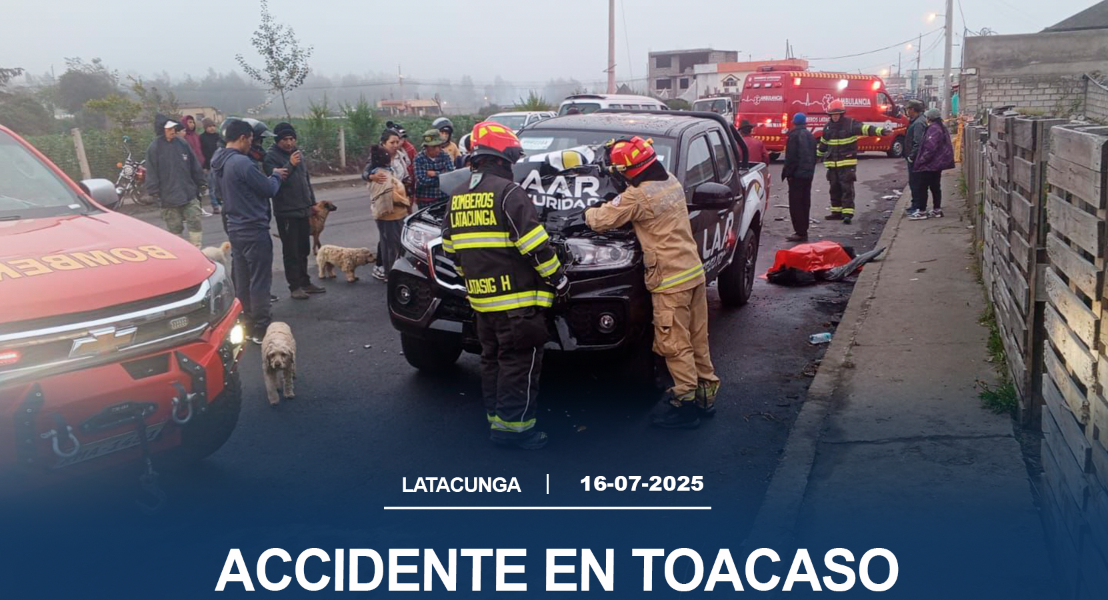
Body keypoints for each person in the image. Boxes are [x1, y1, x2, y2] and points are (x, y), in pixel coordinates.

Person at [442, 121, 568, 450]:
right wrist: (559, 279)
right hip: (517, 306)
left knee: (492, 361)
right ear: (502, 158)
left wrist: (474, 280)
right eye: (511, 159)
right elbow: (535, 246)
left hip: (483, 304)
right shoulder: (510, 193)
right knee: (519, 364)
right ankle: (515, 431)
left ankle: (497, 420)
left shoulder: (457, 196)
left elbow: (451, 249)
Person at [585, 136, 720, 429]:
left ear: (629, 170)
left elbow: (599, 220)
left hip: (670, 280)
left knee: (674, 344)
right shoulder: (669, 180)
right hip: (692, 272)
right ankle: (705, 397)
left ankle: (684, 405)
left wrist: (588, 207)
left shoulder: (639, 196)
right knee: (697, 338)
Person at [211, 119, 288, 343]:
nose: (251, 144)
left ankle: (244, 324)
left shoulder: (217, 162)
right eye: (251, 139)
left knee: (242, 279)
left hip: (235, 228)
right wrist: (276, 176)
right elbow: (268, 189)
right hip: (254, 228)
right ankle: (261, 327)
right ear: (243, 138)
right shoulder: (242, 163)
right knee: (260, 280)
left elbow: (218, 193)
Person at [264, 122, 327, 300]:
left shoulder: (298, 154)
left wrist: (312, 203)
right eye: (285, 139)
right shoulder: (271, 157)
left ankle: (305, 282)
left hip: (303, 209)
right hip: (286, 211)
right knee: (291, 251)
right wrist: (290, 164)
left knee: (303, 249)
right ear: (277, 140)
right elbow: (277, 181)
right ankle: (295, 286)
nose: (289, 142)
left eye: (292, 139)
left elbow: (305, 180)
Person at [816, 99, 894, 224]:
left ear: (842, 114)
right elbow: (823, 144)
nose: (835, 117)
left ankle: (847, 214)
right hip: (832, 165)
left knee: (846, 188)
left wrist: (882, 131)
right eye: (832, 114)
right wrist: (816, 157)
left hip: (847, 163)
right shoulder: (828, 127)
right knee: (834, 189)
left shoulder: (851, 124)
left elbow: (866, 129)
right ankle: (836, 212)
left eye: (837, 114)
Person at [145, 114, 206, 248]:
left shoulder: (182, 144)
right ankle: (181, 252)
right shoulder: (154, 148)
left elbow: (194, 164)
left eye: (173, 128)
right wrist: (154, 191)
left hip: (188, 192)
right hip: (168, 196)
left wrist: (201, 182)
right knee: (175, 227)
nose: (172, 131)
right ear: (162, 130)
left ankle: (197, 249)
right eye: (169, 129)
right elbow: (151, 171)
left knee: (195, 220)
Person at [365, 144, 410, 282]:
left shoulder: (378, 173)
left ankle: (389, 274)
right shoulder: (382, 176)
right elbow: (390, 198)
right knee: (393, 247)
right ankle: (393, 276)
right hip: (391, 217)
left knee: (386, 245)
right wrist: (406, 201)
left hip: (385, 216)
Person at [908, 108, 955, 220]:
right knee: (935, 187)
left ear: (930, 118)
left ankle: (922, 211)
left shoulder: (933, 129)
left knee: (922, 187)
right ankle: (936, 210)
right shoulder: (941, 127)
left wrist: (921, 160)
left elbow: (930, 147)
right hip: (937, 163)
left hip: (930, 164)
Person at [781, 112, 816, 242]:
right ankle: (804, 230)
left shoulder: (794, 136)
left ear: (794, 123)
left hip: (796, 176)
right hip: (808, 175)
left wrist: (788, 174)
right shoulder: (810, 136)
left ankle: (800, 232)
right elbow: (814, 156)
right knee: (805, 202)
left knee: (796, 204)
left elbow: (791, 158)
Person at [412, 128, 456, 204]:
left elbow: (451, 175)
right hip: (425, 200)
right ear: (426, 147)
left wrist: (435, 174)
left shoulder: (445, 156)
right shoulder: (418, 158)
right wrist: (442, 176)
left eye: (439, 146)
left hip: (444, 198)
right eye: (434, 147)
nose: (437, 149)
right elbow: (422, 181)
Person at [902, 99, 928, 216]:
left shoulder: (918, 123)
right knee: (915, 182)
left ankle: (917, 206)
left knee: (916, 183)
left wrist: (911, 156)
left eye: (908, 109)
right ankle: (915, 204)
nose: (907, 111)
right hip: (916, 158)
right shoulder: (917, 120)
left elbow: (918, 142)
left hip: (916, 159)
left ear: (913, 109)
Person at [199, 118, 222, 214]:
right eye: (209, 126)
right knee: (212, 187)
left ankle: (223, 203)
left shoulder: (219, 136)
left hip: (220, 164)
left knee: (221, 185)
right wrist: (204, 166)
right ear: (205, 128)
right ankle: (215, 205)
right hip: (209, 165)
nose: (212, 128)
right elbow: (201, 153)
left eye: (213, 126)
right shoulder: (202, 138)